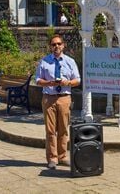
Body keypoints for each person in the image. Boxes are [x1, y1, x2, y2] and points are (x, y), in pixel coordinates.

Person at [35, 34, 80, 169]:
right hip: (49, 98)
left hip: (64, 98)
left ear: (63, 45)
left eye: (59, 44)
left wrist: (68, 82)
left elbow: (78, 80)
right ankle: (52, 159)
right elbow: (37, 80)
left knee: (63, 130)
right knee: (50, 131)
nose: (56, 46)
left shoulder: (70, 61)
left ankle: (63, 156)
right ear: (50, 47)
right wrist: (49, 82)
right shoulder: (44, 61)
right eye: (54, 44)